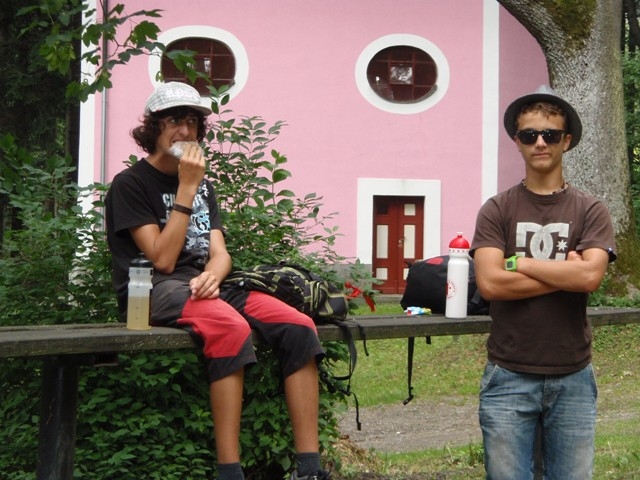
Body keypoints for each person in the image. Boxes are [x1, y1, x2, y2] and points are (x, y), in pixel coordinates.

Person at [105, 82, 331, 480]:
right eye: (175, 121)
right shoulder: (131, 184)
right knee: (230, 326)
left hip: (207, 285)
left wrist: (213, 274)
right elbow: (162, 259)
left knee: (298, 325)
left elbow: (220, 253)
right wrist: (186, 188)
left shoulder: (204, 186)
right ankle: (230, 472)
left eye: (192, 122)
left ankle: (309, 470)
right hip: (153, 289)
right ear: (154, 128)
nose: (186, 132)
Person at [470, 85, 617, 480]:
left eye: (550, 134)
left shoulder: (590, 209)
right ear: (517, 141)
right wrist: (566, 275)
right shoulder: (497, 209)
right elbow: (491, 284)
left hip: (573, 377)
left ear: (566, 141)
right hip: (507, 374)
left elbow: (590, 276)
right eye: (529, 134)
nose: (540, 142)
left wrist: (518, 262)